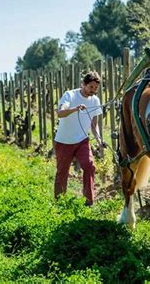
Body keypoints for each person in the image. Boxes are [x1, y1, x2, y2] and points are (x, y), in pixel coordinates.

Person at [54, 71, 104, 206]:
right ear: (83, 84)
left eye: (95, 88)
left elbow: (94, 125)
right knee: (62, 172)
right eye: (90, 87)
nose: (93, 90)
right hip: (64, 141)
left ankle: (89, 200)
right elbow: (60, 113)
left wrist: (99, 140)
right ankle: (60, 202)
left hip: (82, 140)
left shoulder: (95, 100)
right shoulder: (69, 95)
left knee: (89, 166)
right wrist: (75, 109)